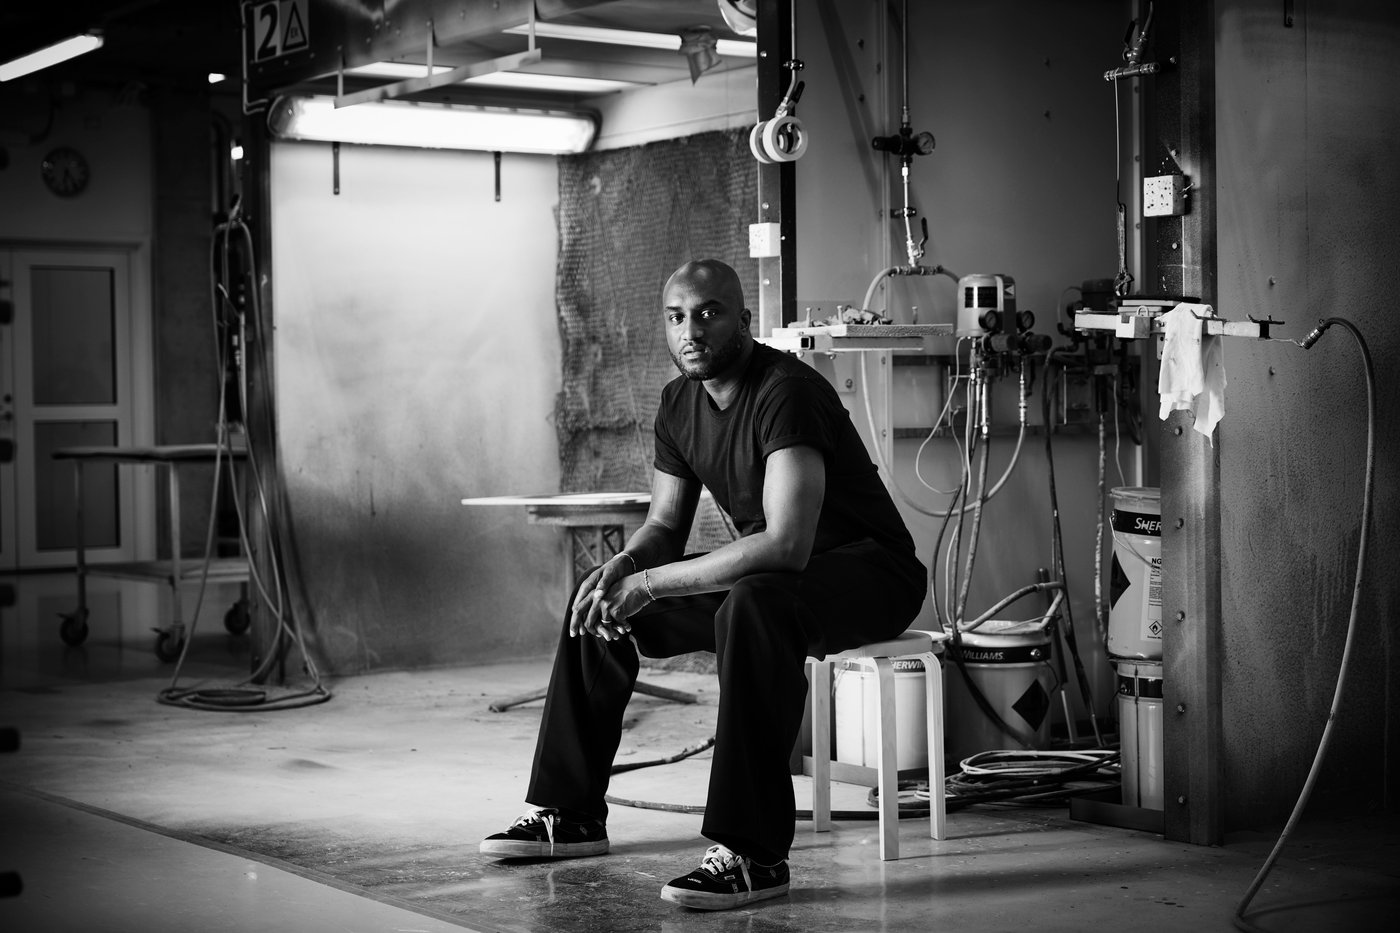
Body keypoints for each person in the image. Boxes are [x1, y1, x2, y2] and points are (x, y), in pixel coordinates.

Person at [480, 258, 927, 910]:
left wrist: (655, 582)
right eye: (677, 315)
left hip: (871, 572)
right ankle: (569, 811)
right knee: (600, 600)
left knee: (754, 601)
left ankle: (752, 854)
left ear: (743, 319)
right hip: (773, 581)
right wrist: (625, 569)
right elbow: (664, 523)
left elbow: (786, 543)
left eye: (710, 312)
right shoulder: (677, 404)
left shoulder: (786, 391)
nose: (692, 329)